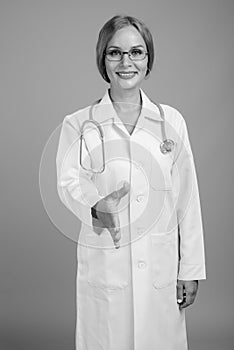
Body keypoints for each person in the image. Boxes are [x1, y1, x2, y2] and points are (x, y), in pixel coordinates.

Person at [56, 14, 206, 350]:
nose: (127, 62)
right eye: (115, 53)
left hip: (160, 269)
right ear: (103, 59)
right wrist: (96, 208)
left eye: (137, 52)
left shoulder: (172, 121)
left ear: (148, 59)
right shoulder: (79, 124)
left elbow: (187, 199)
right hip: (107, 266)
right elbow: (68, 184)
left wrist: (191, 268)